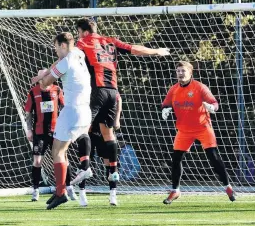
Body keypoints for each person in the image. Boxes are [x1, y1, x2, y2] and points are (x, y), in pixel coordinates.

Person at [75, 18, 170, 205]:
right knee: (108, 135)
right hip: (113, 92)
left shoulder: (83, 42)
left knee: (82, 131)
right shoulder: (111, 40)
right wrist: (157, 51)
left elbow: (70, 59)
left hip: (96, 91)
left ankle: (84, 173)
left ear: (83, 31)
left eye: (78, 32)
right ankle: (113, 186)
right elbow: (135, 49)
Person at [31, 32, 91, 210]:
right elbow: (57, 65)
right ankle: (62, 188)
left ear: (63, 45)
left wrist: (42, 76)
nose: (55, 51)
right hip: (85, 110)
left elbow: (45, 84)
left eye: (56, 47)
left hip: (72, 110)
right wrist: (49, 70)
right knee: (61, 150)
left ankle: (61, 192)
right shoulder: (79, 53)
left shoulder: (66, 62)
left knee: (57, 151)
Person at [161, 61, 236, 204]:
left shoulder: (200, 87)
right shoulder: (173, 89)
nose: (180, 74)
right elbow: (165, 103)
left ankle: (228, 187)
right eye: (178, 71)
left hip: (203, 127)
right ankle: (175, 191)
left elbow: (215, 103)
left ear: (190, 73)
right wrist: (165, 109)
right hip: (184, 130)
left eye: (183, 71)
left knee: (213, 157)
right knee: (176, 159)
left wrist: (212, 107)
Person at [24, 69, 76, 201]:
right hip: (40, 132)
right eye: (43, 76)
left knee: (63, 158)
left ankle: (68, 188)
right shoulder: (33, 91)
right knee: (37, 161)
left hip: (57, 131)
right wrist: (29, 129)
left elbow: (65, 107)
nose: (45, 78)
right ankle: (35, 190)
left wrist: (68, 125)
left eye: (48, 76)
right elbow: (29, 113)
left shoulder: (57, 90)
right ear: (39, 78)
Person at [74, 92, 123, 206]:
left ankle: (113, 195)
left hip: (104, 131)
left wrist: (117, 118)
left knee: (109, 163)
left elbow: (118, 98)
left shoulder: (105, 88)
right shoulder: (86, 86)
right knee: (85, 164)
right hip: (88, 132)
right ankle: (82, 194)